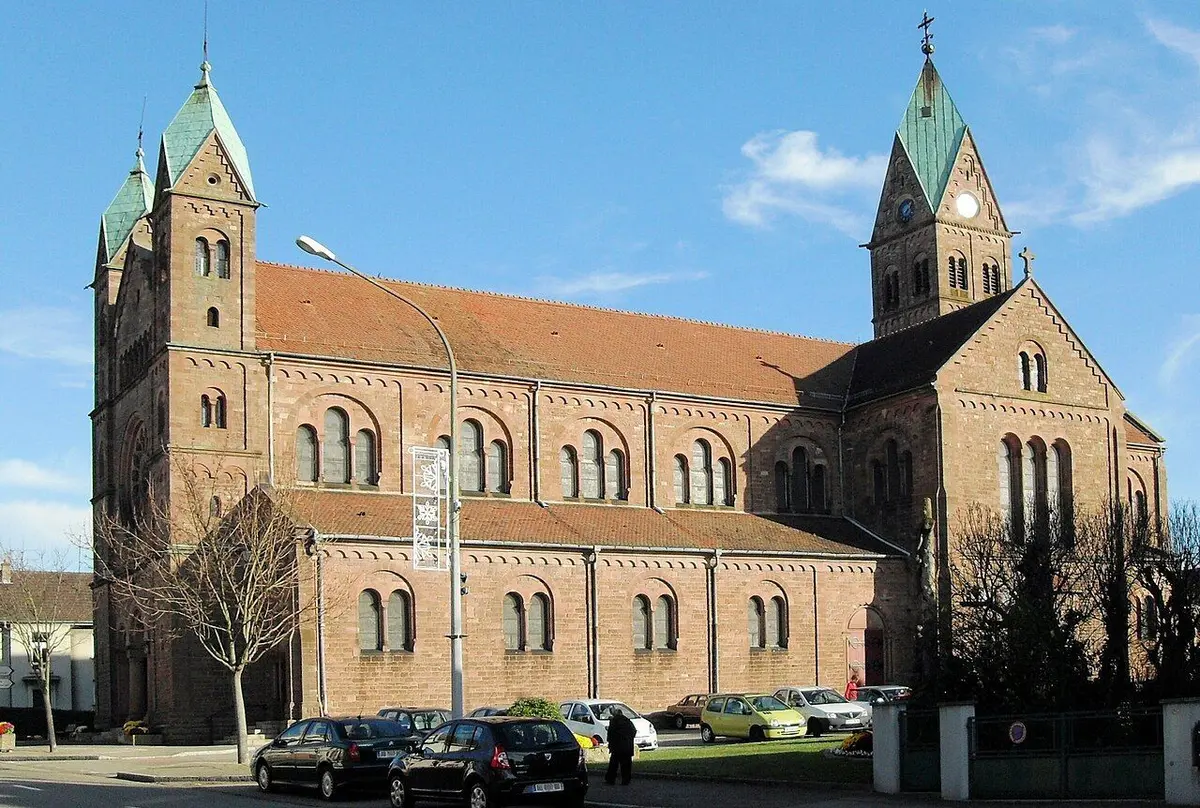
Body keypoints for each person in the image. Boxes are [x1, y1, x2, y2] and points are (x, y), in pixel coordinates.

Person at [605, 707, 637, 786]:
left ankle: (610, 779)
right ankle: (626, 780)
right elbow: (633, 731)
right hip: (628, 746)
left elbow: (610, 734)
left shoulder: (614, 721)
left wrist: (611, 744)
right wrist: (629, 739)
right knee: (626, 765)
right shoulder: (628, 721)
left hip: (617, 747)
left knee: (613, 764)